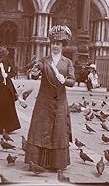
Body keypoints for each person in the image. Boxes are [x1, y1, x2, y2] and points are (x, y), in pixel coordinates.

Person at [24, 25, 75, 171]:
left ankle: (57, 164)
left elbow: (72, 81)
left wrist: (64, 80)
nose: (55, 46)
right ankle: (38, 162)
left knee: (58, 131)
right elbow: (36, 70)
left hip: (59, 102)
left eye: (58, 44)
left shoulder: (68, 62)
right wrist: (34, 72)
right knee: (41, 130)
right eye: (53, 43)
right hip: (44, 102)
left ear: (63, 45)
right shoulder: (44, 60)